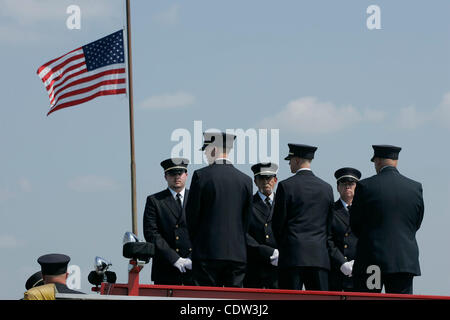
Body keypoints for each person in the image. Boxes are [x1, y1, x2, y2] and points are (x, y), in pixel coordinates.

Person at [350, 145, 424, 294]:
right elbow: (416, 222)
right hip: (403, 262)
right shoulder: (415, 187)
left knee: (369, 299)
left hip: (373, 262)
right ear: (396, 161)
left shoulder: (365, 186)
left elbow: (355, 224)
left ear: (377, 161)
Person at [185, 132, 253, 287]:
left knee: (205, 303)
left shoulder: (201, 176)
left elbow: (192, 215)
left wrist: (198, 241)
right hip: (237, 254)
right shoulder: (245, 180)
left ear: (213, 150)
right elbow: (246, 220)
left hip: (206, 253)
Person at [272, 144, 333, 291]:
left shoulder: (286, 186)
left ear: (297, 160)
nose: (289, 163)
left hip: (292, 257)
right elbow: (328, 224)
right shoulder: (326, 188)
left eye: (291, 159)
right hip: (319, 257)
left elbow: (278, 224)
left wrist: (286, 246)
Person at [143, 157, 194, 285]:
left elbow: (206, 230)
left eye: (180, 173)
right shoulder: (155, 200)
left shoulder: (197, 197)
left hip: (194, 267)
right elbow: (151, 233)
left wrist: (193, 258)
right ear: (165, 176)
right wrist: (175, 259)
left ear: (186, 175)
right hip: (166, 267)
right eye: (172, 173)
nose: (177, 177)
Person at [244, 162, 279, 289]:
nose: (265, 181)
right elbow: (243, 232)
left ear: (275, 180)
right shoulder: (248, 204)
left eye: (268, 178)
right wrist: (264, 251)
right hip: (255, 265)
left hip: (278, 267)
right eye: (261, 178)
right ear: (255, 181)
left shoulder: (283, 203)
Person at [327, 167, 361, 292]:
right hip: (336, 269)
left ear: (357, 186)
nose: (348, 187)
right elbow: (327, 239)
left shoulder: (365, 210)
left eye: (351, 183)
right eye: (343, 183)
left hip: (359, 270)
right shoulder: (330, 211)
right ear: (337, 187)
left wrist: (358, 262)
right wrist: (342, 262)